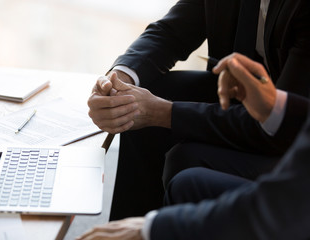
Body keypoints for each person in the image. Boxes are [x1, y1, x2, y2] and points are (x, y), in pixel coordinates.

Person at [88, 0, 310, 220]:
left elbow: (285, 124)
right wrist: (119, 79)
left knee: (184, 157)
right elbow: (172, 32)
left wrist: (164, 113)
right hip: (237, 94)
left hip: (292, 133)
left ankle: (156, 230)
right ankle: (124, 232)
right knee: (138, 100)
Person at [78, 53, 310, 240]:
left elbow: (288, 201)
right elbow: (174, 27)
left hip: (288, 153)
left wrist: (152, 228)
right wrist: (274, 107)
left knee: (188, 177)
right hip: (290, 114)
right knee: (139, 102)